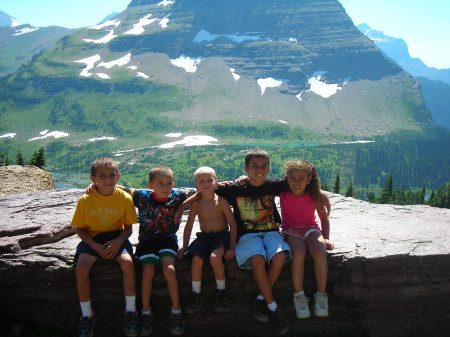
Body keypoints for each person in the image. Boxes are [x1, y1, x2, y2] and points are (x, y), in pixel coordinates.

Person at [177, 149, 291, 335]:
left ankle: (262, 298)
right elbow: (204, 192)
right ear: (246, 168)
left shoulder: (274, 184)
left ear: (269, 168)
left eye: (264, 166)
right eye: (255, 166)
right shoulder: (236, 188)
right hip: (246, 235)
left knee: (279, 257)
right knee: (257, 260)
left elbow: (299, 182)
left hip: (271, 232)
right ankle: (273, 308)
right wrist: (184, 204)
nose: (259, 170)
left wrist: (321, 198)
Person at [119, 166, 195, 336]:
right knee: (147, 272)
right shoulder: (142, 196)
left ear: (173, 184)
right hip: (146, 241)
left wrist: (183, 205)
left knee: (170, 269)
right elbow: (121, 188)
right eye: (160, 183)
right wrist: (93, 187)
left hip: (168, 239)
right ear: (150, 185)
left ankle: (176, 311)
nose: (165, 187)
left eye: (169, 183)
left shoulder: (178, 196)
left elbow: (202, 188)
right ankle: (146, 312)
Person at [71, 157, 139, 337]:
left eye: (112, 175)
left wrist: (118, 242)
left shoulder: (124, 198)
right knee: (81, 269)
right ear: (93, 179)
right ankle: (87, 314)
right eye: (102, 176)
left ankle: (131, 310)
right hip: (92, 238)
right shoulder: (85, 200)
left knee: (127, 263)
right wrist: (95, 246)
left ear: (118, 176)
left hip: (116, 236)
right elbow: (80, 229)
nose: (108, 180)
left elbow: (129, 229)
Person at [177, 167, 237, 313]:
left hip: (220, 236)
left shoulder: (222, 201)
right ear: (196, 185)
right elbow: (189, 225)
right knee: (196, 260)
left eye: (209, 180)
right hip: (204, 237)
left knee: (215, 258)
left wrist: (232, 247)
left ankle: (221, 291)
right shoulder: (197, 204)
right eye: (201, 181)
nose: (206, 184)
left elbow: (233, 224)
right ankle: (196, 293)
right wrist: (184, 246)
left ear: (216, 182)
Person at [279, 159, 334, 319]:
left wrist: (326, 237)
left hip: (311, 229)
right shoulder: (283, 192)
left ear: (309, 179)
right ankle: (299, 296)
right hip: (291, 230)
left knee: (320, 252)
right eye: (292, 178)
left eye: (301, 178)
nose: (296, 182)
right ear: (287, 178)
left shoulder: (314, 194)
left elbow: (324, 218)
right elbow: (260, 186)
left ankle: (321, 295)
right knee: (298, 253)